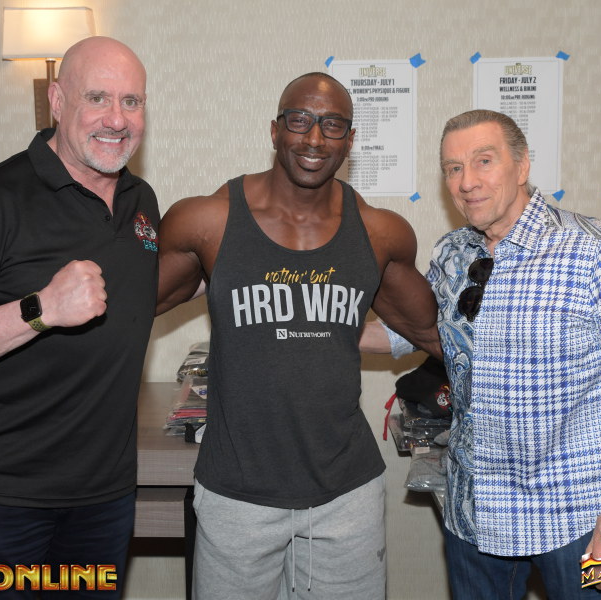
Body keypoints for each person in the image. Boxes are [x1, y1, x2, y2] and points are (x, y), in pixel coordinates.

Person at [367, 109, 601, 599]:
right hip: (474, 512)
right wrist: (316, 328)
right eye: (453, 168)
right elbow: (413, 330)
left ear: (522, 164)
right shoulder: (452, 252)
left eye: (483, 161)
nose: (467, 181)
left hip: (578, 517)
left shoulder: (598, 250)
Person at [156, 72, 439, 599]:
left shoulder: (380, 233)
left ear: (349, 141)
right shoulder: (207, 221)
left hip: (345, 494)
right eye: (300, 120)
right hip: (236, 491)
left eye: (332, 125)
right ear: (275, 129)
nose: (314, 138)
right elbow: (123, 311)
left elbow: (435, 333)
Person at [0, 36, 157, 598]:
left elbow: (137, 298)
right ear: (58, 101)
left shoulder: (141, 201)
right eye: (97, 98)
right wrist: (41, 309)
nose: (117, 119)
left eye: (132, 101)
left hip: (104, 497)